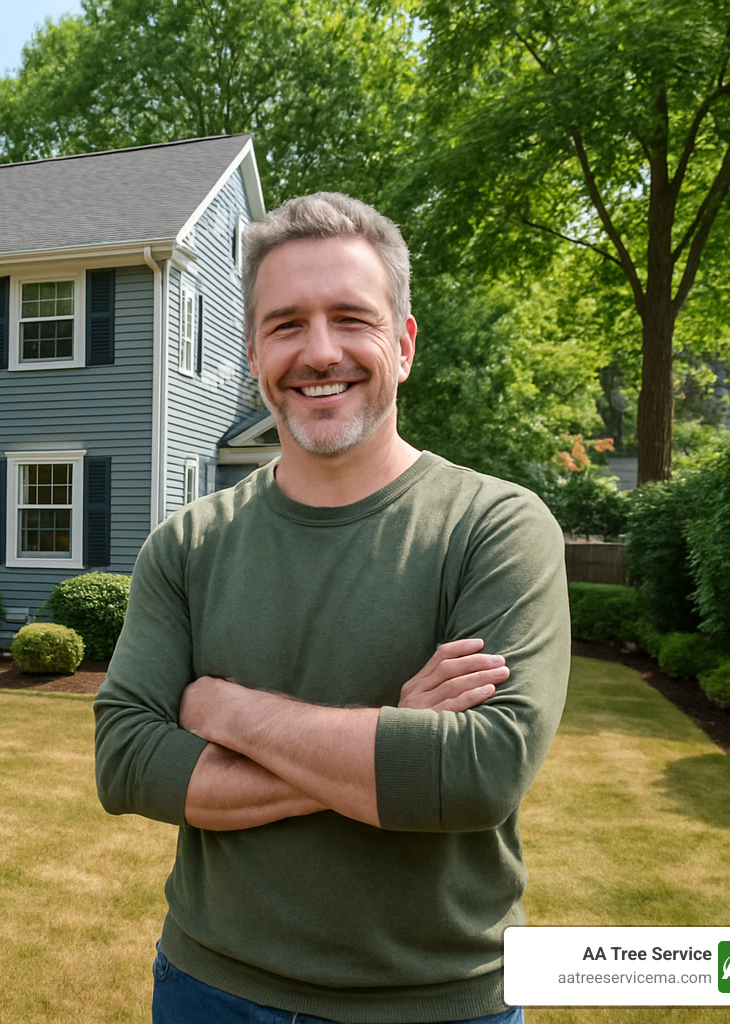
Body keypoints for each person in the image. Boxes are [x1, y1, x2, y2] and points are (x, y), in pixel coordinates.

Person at [93, 192, 570, 1024]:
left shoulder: (495, 526)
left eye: (351, 318)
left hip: (437, 1003)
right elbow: (128, 761)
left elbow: (476, 774)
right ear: (253, 354)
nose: (319, 352)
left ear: (403, 344)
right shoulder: (187, 545)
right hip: (211, 989)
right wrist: (392, 739)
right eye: (286, 325)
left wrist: (226, 711)